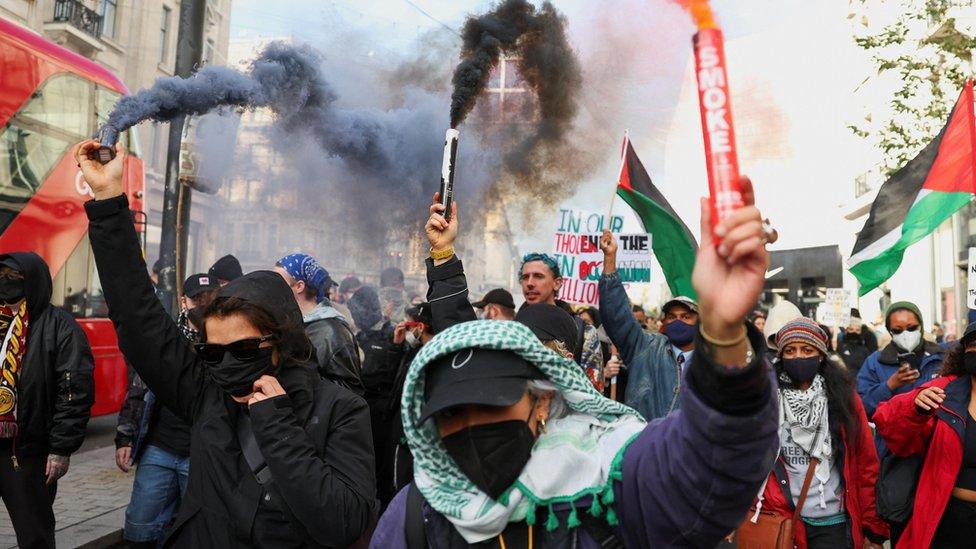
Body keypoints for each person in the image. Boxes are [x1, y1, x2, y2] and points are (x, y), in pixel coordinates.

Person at [371, 180, 780, 547]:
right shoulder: (417, 514)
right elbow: (458, 336)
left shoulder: (608, 479)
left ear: (542, 401)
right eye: (452, 413)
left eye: (493, 403)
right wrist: (442, 257)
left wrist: (727, 339)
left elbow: (709, 472)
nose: (472, 424)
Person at [78, 140, 376, 547]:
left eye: (242, 350)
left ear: (281, 341)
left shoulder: (340, 409)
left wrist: (278, 425)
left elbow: (343, 522)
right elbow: (138, 318)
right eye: (212, 353)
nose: (226, 364)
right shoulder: (206, 392)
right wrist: (109, 203)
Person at [750, 318, 888, 549]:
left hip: (833, 524)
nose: (798, 357)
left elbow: (866, 466)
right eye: (790, 350)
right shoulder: (765, 402)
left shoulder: (844, 400)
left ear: (821, 355)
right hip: (783, 521)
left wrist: (872, 528)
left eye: (807, 350)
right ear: (781, 356)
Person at [0, 253, 94, 548]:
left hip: (27, 452)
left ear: (35, 282)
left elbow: (74, 392)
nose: (6, 283)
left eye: (14, 278)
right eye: (1, 276)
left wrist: (60, 449)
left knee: (34, 533)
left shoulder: (61, 327)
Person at [115, 273, 215, 547]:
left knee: (197, 528)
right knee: (140, 526)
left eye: (209, 299)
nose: (203, 305)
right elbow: (139, 387)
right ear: (185, 301)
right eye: (198, 299)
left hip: (199, 452)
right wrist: (125, 437)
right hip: (159, 448)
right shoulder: (166, 337)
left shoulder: (225, 342)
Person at [873, 322, 976, 548]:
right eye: (973, 344)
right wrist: (915, 407)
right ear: (964, 351)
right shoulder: (944, 392)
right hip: (949, 520)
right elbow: (886, 420)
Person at [598, 231, 699, 420]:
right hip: (644, 445)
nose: (678, 321)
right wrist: (610, 259)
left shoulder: (713, 362)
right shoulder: (645, 348)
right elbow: (616, 317)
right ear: (664, 322)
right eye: (671, 317)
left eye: (685, 317)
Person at [274, 253, 364, 395]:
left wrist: (297, 383)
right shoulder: (290, 323)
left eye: (278, 282)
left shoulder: (332, 332)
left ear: (299, 286)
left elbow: (350, 391)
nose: (272, 287)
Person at [349, 284, 401, 509]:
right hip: (361, 412)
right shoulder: (357, 335)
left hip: (384, 416)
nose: (356, 317)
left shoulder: (393, 334)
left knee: (383, 472)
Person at [518, 252, 603, 378]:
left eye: (538, 276)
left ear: (557, 283)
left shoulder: (584, 332)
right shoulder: (513, 328)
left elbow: (592, 392)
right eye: (525, 277)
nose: (529, 283)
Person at [857, 301, 944, 422]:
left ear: (921, 326)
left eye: (912, 328)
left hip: (934, 438)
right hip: (893, 438)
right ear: (890, 331)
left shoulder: (941, 357)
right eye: (898, 330)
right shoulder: (875, 362)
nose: (906, 334)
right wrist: (890, 385)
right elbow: (863, 409)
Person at [839, 314, 874, 378]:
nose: (854, 332)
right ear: (846, 331)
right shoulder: (840, 347)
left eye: (857, 330)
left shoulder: (864, 350)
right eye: (851, 329)